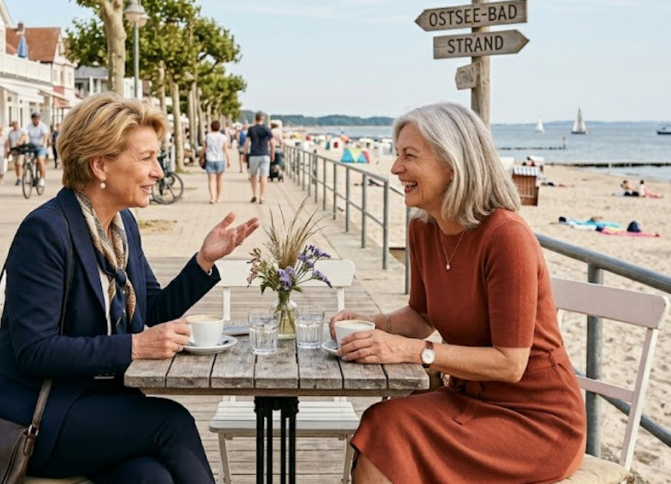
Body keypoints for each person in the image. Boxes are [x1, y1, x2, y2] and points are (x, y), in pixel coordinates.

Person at [0, 92, 259, 483]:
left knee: (150, 479)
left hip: (98, 408)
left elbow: (150, 315)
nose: (158, 172)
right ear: (100, 165)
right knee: (171, 421)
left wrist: (203, 262)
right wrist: (135, 347)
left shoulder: (123, 228)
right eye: (146, 159)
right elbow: (34, 350)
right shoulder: (46, 230)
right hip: (34, 417)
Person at [331, 102, 585, 484]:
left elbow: (510, 363)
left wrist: (411, 351)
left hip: (537, 421)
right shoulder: (423, 229)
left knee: (388, 428)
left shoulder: (506, 237)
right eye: (397, 154)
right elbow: (421, 316)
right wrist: (371, 325)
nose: (395, 168)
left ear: (452, 164)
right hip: (466, 400)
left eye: (409, 156)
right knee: (383, 422)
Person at [243, 112, 273, 203]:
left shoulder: (251, 129)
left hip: (254, 155)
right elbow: (272, 143)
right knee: (264, 177)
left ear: (255, 119)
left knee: (253, 176)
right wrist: (272, 153)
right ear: (263, 119)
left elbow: (247, 142)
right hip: (264, 154)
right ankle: (262, 197)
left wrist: (244, 154)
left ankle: (254, 194)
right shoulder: (267, 129)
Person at [200, 120, 231, 204]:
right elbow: (225, 149)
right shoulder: (223, 137)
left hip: (210, 159)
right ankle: (219, 197)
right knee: (219, 180)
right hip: (220, 159)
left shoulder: (207, 136)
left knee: (211, 180)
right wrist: (229, 160)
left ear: (211, 127)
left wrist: (201, 157)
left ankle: (212, 197)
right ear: (219, 128)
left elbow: (204, 149)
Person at [25, 111, 50, 187]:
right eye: (35, 118)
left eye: (38, 118)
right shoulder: (29, 126)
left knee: (40, 160)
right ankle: (31, 176)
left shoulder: (42, 126)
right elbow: (24, 134)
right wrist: (20, 142)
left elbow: (45, 135)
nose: (36, 120)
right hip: (32, 147)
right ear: (32, 119)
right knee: (27, 159)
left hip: (40, 147)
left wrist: (44, 141)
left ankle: (42, 178)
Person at [7, 120, 27, 185]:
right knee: (16, 165)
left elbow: (24, 137)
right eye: (13, 124)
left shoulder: (21, 131)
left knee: (19, 164)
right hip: (13, 149)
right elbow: (9, 141)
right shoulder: (11, 132)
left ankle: (20, 178)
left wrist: (20, 142)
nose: (15, 125)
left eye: (16, 124)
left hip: (20, 150)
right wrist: (9, 150)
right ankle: (18, 177)